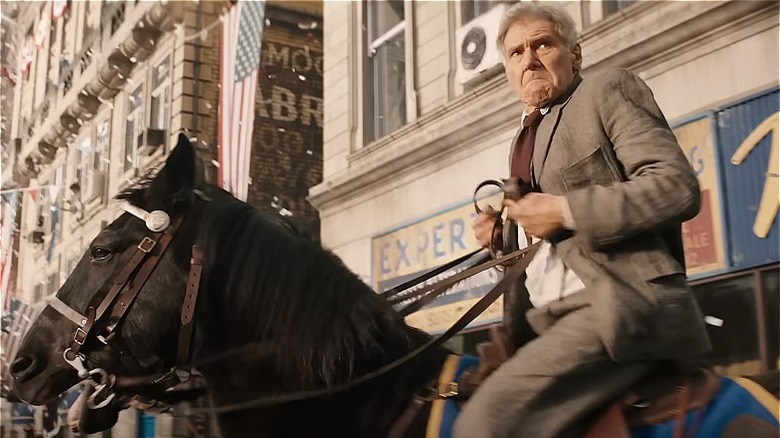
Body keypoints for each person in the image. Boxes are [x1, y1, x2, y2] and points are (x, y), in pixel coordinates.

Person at [454, 3, 711, 438]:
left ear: (575, 54)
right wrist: (503, 238)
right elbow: (549, 245)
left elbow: (675, 186)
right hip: (544, 321)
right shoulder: (524, 136)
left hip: (615, 309)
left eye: (542, 44)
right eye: (516, 53)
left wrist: (563, 210)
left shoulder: (607, 89)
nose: (529, 58)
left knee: (484, 423)